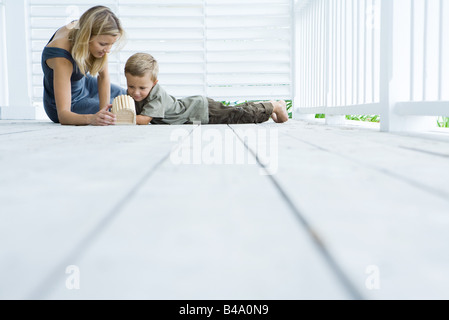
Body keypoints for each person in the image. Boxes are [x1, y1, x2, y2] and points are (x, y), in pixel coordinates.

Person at [123, 53, 289, 126]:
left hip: (201, 111)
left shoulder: (156, 95)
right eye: (131, 86)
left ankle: (274, 105)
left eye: (142, 88)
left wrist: (119, 118)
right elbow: (128, 109)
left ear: (154, 83)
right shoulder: (133, 93)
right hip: (194, 109)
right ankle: (268, 106)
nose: (135, 92)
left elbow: (143, 120)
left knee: (238, 116)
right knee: (235, 110)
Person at [41, 6, 126, 125]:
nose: (108, 50)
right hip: (70, 105)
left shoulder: (80, 26)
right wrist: (93, 118)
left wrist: (103, 110)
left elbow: (103, 76)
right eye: (103, 44)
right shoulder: (61, 56)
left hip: (85, 84)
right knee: (119, 110)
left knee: (131, 98)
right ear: (86, 37)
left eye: (111, 44)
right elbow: (63, 115)